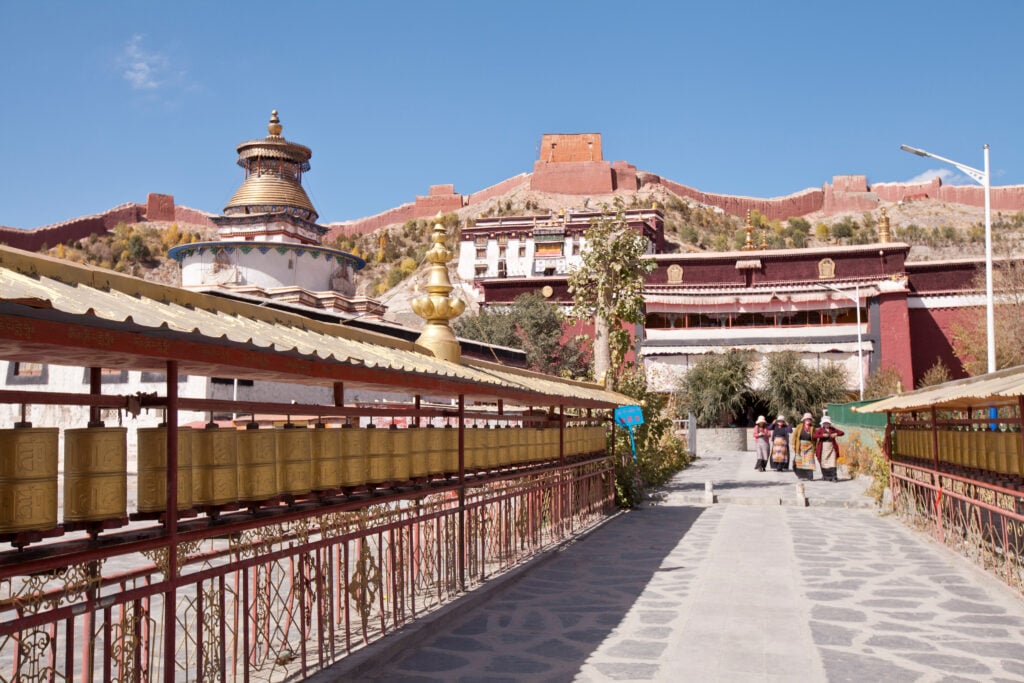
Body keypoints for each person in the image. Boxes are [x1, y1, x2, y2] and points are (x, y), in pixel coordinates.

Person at [814, 415, 845, 482]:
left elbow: (842, 433)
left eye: (827, 423)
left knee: (832, 462)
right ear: (823, 423)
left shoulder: (832, 429)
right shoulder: (820, 430)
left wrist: (836, 434)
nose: (826, 424)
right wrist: (822, 435)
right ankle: (826, 477)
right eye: (825, 423)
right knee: (824, 462)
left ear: (829, 423)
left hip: (832, 447)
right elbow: (815, 435)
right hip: (823, 448)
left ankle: (834, 477)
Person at [791, 412, 817, 480]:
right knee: (800, 461)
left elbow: (815, 438)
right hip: (800, 446)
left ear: (811, 420)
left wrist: (815, 447)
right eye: (806, 419)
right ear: (804, 420)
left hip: (809, 446)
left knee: (809, 461)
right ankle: (801, 476)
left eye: (809, 419)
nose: (808, 420)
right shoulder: (799, 426)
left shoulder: (812, 428)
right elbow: (795, 435)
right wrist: (793, 444)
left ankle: (809, 477)